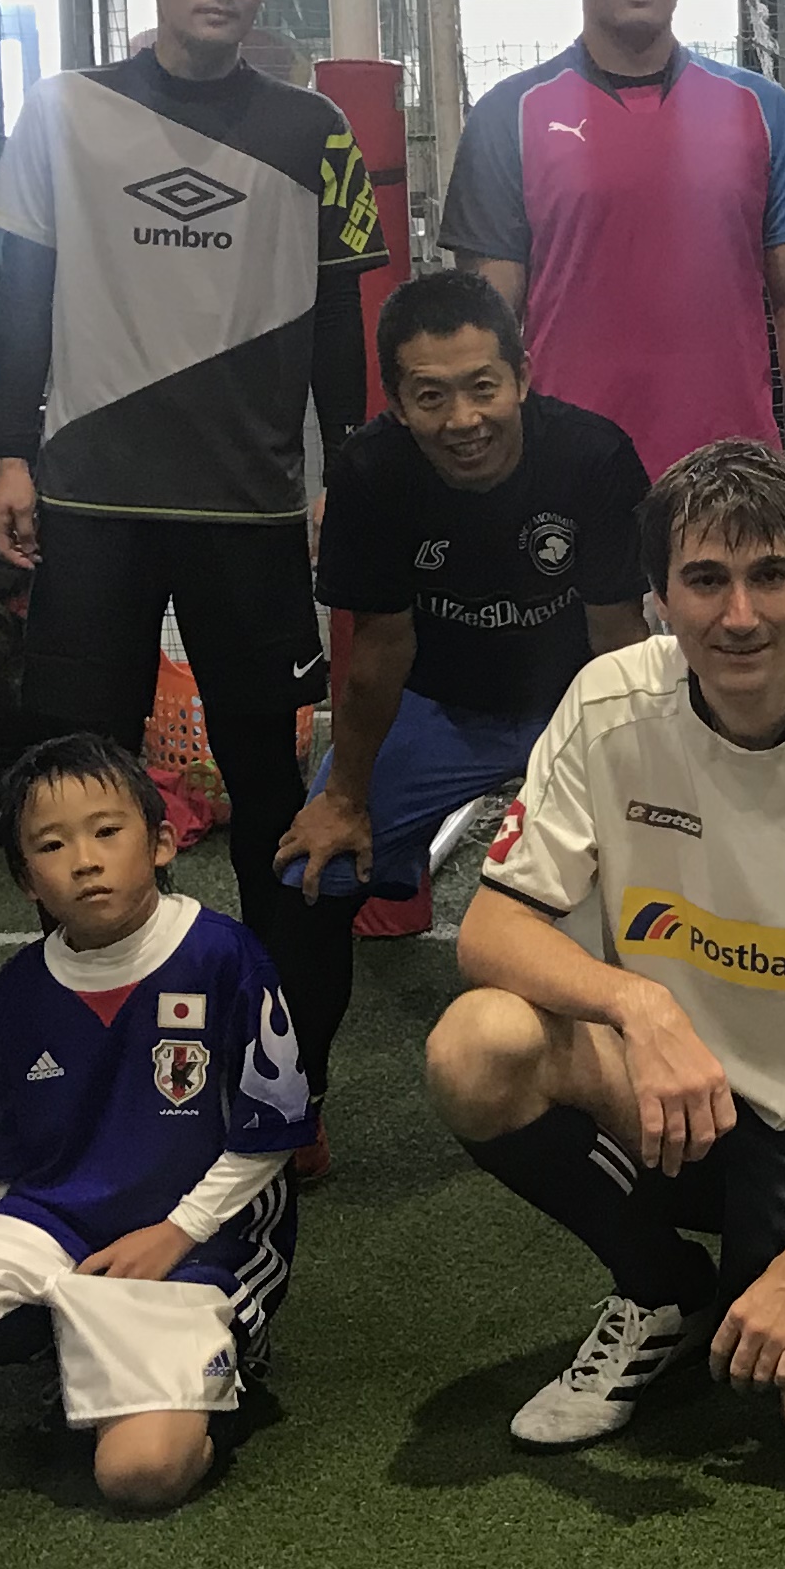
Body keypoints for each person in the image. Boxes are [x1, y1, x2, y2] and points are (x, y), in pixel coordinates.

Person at [423, 443, 785, 1504]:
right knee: (479, 1045)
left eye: (770, 575)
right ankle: (663, 1291)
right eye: (705, 580)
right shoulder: (608, 701)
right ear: (659, 596)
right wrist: (637, 1004)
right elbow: (492, 929)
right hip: (678, 1107)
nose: (740, 616)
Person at [0, 0, 385, 1110]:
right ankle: (85, 1062)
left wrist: (346, 471)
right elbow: (22, 295)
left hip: (251, 518)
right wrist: (8, 451)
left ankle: (290, 1078)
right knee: (77, 790)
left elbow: (341, 322)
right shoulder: (63, 110)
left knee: (273, 797)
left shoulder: (317, 131)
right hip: (93, 507)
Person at [0, 737, 312, 1513]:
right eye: (52, 845)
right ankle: (85, 1332)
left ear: (163, 843)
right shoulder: (18, 990)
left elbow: (272, 1130)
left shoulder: (221, 956)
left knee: (139, 1476)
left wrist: (177, 1233)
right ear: (25, 881)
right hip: (59, 1223)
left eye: (107, 832)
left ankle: (212, 1371)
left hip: (198, 1244)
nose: (84, 861)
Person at [269, 269, 652, 1097]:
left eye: (483, 387)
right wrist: (345, 798)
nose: (464, 419)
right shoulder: (370, 473)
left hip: (571, 708)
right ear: (398, 403)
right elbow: (378, 655)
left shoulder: (594, 456)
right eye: (431, 396)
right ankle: (294, 1105)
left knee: (662, 868)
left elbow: (619, 641)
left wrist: (644, 788)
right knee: (314, 875)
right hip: (436, 708)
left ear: (522, 376)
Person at [437, 0, 785, 543]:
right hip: (562, 479)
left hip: (732, 480)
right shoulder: (510, 115)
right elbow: (485, 327)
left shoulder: (761, 110)